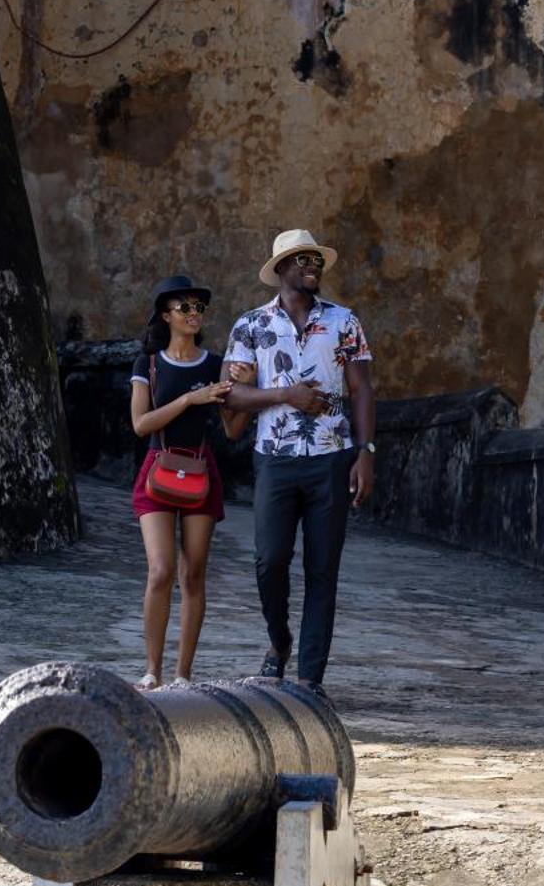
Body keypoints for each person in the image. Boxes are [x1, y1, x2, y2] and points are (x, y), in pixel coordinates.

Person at [222, 228, 375, 699]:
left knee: (322, 567)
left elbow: (361, 389)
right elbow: (233, 394)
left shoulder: (344, 322)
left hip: (331, 457)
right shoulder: (250, 326)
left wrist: (365, 453)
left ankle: (310, 676)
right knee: (269, 561)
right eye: (303, 260)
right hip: (275, 459)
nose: (313, 266)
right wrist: (285, 394)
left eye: (317, 260)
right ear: (282, 269)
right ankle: (279, 642)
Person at [129, 274, 233, 690]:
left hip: (200, 471)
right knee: (160, 571)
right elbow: (140, 424)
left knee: (193, 576)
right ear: (165, 315)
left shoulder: (215, 363)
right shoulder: (148, 364)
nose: (193, 314)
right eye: (184, 307)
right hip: (157, 469)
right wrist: (190, 398)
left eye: (198, 308)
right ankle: (152, 669)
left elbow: (232, 422)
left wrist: (240, 384)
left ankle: (182, 674)